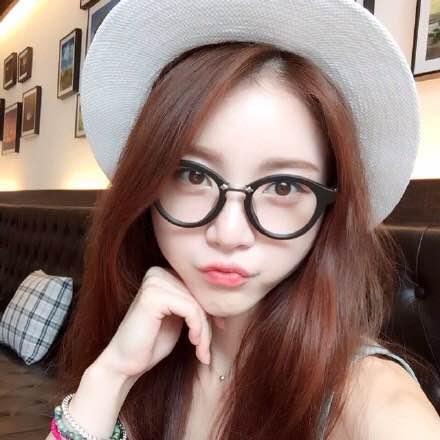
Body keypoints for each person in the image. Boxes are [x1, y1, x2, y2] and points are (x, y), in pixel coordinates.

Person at [46, 0, 440, 439]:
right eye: (194, 175)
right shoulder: (145, 353)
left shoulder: (367, 399)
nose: (229, 233)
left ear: (329, 206)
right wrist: (112, 374)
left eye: (283, 187)